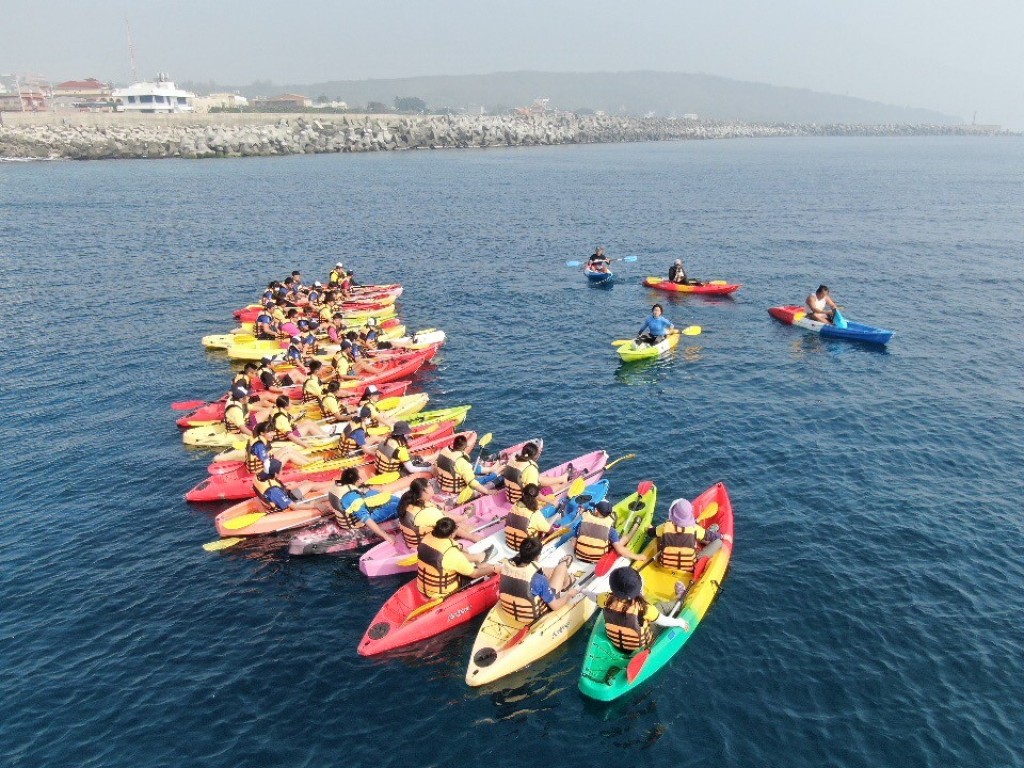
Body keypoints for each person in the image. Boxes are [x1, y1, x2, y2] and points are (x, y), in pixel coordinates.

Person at [593, 567, 690, 653]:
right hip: (642, 645)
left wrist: (581, 591)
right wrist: (679, 622)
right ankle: (679, 600)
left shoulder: (605, 599)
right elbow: (663, 621)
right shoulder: (645, 608)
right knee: (659, 606)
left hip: (616, 643)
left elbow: (593, 596)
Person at [498, 537, 580, 624]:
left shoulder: (506, 567)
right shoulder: (539, 579)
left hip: (512, 609)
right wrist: (569, 595)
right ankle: (567, 582)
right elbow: (555, 606)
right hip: (534, 614)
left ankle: (561, 575)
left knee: (546, 571)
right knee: (562, 567)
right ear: (537, 557)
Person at [416, 517, 498, 600]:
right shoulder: (452, 554)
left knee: (458, 557)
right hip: (442, 592)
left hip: (422, 587)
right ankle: (484, 562)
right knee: (482, 568)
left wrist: (461, 549)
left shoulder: (426, 539)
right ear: (451, 534)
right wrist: (493, 568)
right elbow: (475, 574)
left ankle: (479, 557)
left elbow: (450, 545)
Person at [397, 478, 483, 550]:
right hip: (424, 546)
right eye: (430, 485)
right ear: (426, 490)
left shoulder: (411, 501)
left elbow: (440, 513)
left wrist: (463, 517)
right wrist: (466, 516)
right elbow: (449, 522)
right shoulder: (426, 512)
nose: (432, 486)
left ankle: (475, 529)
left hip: (414, 542)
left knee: (455, 523)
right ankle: (475, 536)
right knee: (452, 526)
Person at [329, 467, 400, 545]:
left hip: (352, 508)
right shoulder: (353, 498)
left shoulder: (337, 485)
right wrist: (387, 536)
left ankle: (398, 501)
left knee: (373, 492)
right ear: (357, 481)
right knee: (396, 506)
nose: (362, 480)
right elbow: (366, 520)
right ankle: (402, 510)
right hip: (358, 522)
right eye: (360, 478)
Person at [652, 498, 724, 573]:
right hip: (689, 568)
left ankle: (702, 540)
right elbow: (712, 536)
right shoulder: (694, 528)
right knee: (718, 542)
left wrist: (650, 528)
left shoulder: (665, 526)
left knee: (661, 536)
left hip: (665, 565)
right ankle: (704, 541)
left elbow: (651, 532)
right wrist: (722, 536)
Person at [570, 500, 644, 564]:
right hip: (598, 560)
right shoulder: (611, 531)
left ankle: (618, 525)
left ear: (596, 511)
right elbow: (620, 550)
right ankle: (635, 526)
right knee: (620, 541)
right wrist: (637, 557)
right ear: (608, 515)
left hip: (579, 556)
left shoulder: (582, 523)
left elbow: (573, 543)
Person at [435, 434, 498, 501]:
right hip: (456, 491)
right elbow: (472, 483)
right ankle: (495, 473)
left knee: (470, 468)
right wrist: (487, 491)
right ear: (465, 448)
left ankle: (490, 469)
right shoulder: (463, 463)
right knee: (478, 480)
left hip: (442, 484)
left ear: (453, 444)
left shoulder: (444, 452)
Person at [500, 442, 568, 505]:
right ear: (535, 456)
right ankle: (565, 481)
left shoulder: (512, 461)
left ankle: (562, 478)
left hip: (509, 498)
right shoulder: (531, 468)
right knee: (559, 486)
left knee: (538, 479)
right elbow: (533, 493)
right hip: (522, 503)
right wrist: (551, 501)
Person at [503, 484, 563, 550]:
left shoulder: (515, 506)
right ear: (536, 498)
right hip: (524, 547)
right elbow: (549, 530)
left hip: (509, 541)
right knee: (556, 531)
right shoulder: (534, 514)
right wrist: (556, 529)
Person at [252, 459, 322, 513]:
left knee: (307, 483)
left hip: (276, 498)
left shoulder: (259, 476)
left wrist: (284, 487)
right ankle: (328, 489)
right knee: (310, 484)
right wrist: (315, 506)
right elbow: (294, 507)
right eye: (280, 470)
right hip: (285, 502)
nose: (282, 471)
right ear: (275, 473)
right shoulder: (274, 491)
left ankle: (328, 484)